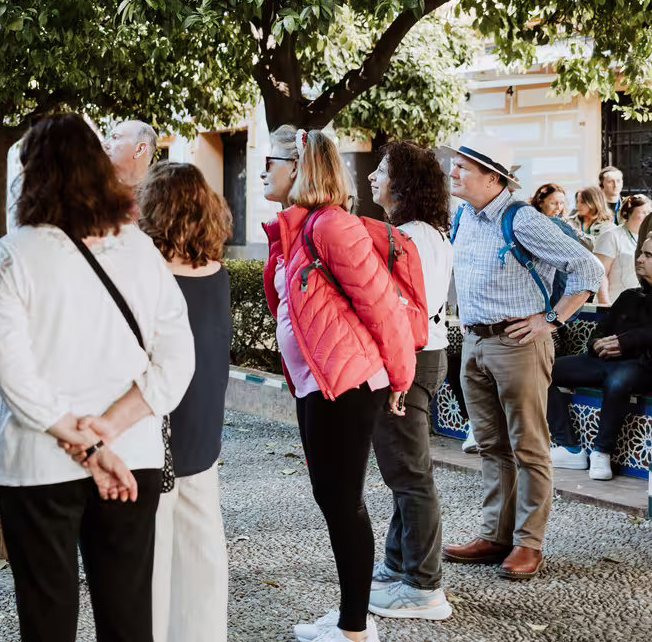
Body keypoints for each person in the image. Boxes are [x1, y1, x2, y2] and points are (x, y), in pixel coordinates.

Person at [0, 113, 195, 642]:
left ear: (33, 175)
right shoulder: (142, 251)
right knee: (127, 620)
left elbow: (16, 377)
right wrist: (106, 432)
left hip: (40, 462)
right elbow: (177, 362)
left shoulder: (16, 254)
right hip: (133, 456)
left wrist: (80, 437)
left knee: (47, 619)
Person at [262, 126, 415, 642]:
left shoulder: (332, 226)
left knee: (343, 499)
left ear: (300, 167)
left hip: (349, 384)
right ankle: (352, 614)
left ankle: (354, 628)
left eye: (271, 161)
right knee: (332, 497)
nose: (264, 171)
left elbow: (382, 307)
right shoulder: (299, 228)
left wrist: (401, 377)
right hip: (318, 383)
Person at [441, 135, 602, 581]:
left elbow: (588, 269)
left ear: (493, 177)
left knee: (529, 447)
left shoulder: (522, 218)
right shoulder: (464, 216)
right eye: (455, 165)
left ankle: (529, 544)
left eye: (462, 167)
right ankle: (495, 535)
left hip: (518, 345)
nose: (453, 172)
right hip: (475, 342)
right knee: (492, 446)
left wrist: (551, 319)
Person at [130, 161, 232, 642]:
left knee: (152, 559)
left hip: (158, 430)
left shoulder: (147, 274)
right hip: (205, 427)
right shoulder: (218, 271)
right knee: (203, 554)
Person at [363, 143, 455, 622]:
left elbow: (397, 313)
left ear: (403, 183)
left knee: (411, 477)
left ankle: (423, 587)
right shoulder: (426, 232)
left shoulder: (404, 238)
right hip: (426, 355)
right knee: (408, 472)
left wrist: (396, 375)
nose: (373, 176)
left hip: (409, 360)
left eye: (382, 169)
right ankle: (400, 567)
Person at [549, 232, 652, 480]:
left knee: (618, 382)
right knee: (541, 369)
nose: (639, 259)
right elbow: (600, 329)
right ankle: (569, 446)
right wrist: (597, 344)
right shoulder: (630, 295)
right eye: (640, 253)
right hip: (602, 362)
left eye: (648, 255)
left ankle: (602, 452)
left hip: (640, 367)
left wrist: (625, 343)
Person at [593, 194, 651, 306]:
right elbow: (599, 273)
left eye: (650, 213)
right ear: (627, 214)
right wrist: (605, 303)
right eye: (644, 212)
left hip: (640, 306)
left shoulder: (647, 237)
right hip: (615, 304)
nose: (648, 216)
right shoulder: (611, 236)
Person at [103, 119, 158, 217]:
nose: (105, 144)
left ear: (139, 149)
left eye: (115, 137)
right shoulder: (93, 194)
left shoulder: (158, 201)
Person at [571, 184, 615, 251]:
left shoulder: (609, 227)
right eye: (577, 201)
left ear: (594, 202)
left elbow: (597, 247)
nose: (578, 206)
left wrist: (574, 231)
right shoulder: (570, 221)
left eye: (582, 202)